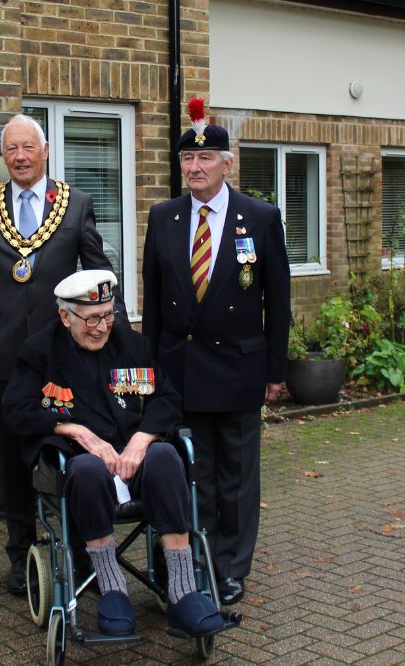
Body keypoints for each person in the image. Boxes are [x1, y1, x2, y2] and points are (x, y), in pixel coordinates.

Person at [3, 269, 225, 639]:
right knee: (87, 469)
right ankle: (112, 589)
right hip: (82, 468)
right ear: (65, 316)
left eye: (108, 315)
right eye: (91, 318)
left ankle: (184, 591)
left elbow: (167, 397)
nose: (102, 327)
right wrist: (75, 430)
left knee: (168, 457)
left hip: (136, 463)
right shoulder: (40, 351)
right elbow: (16, 410)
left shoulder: (132, 345)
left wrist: (142, 440)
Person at [0, 113, 125, 595]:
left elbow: (99, 276)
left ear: (45, 150)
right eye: (10, 148)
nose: (18, 156)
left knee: (75, 451)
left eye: (27, 148)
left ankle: (84, 553)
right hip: (3, 355)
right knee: (13, 459)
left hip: (64, 354)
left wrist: (121, 342)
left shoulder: (75, 205)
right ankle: (20, 556)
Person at [142, 100, 291, 605]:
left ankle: (230, 566)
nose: (195, 168)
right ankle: (194, 558)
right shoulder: (163, 217)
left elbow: (279, 301)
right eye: (188, 160)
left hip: (239, 368)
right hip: (181, 369)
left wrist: (275, 370)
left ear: (228, 164)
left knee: (236, 476)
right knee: (190, 473)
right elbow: (154, 301)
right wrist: (149, 371)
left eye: (206, 160)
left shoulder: (261, 218)